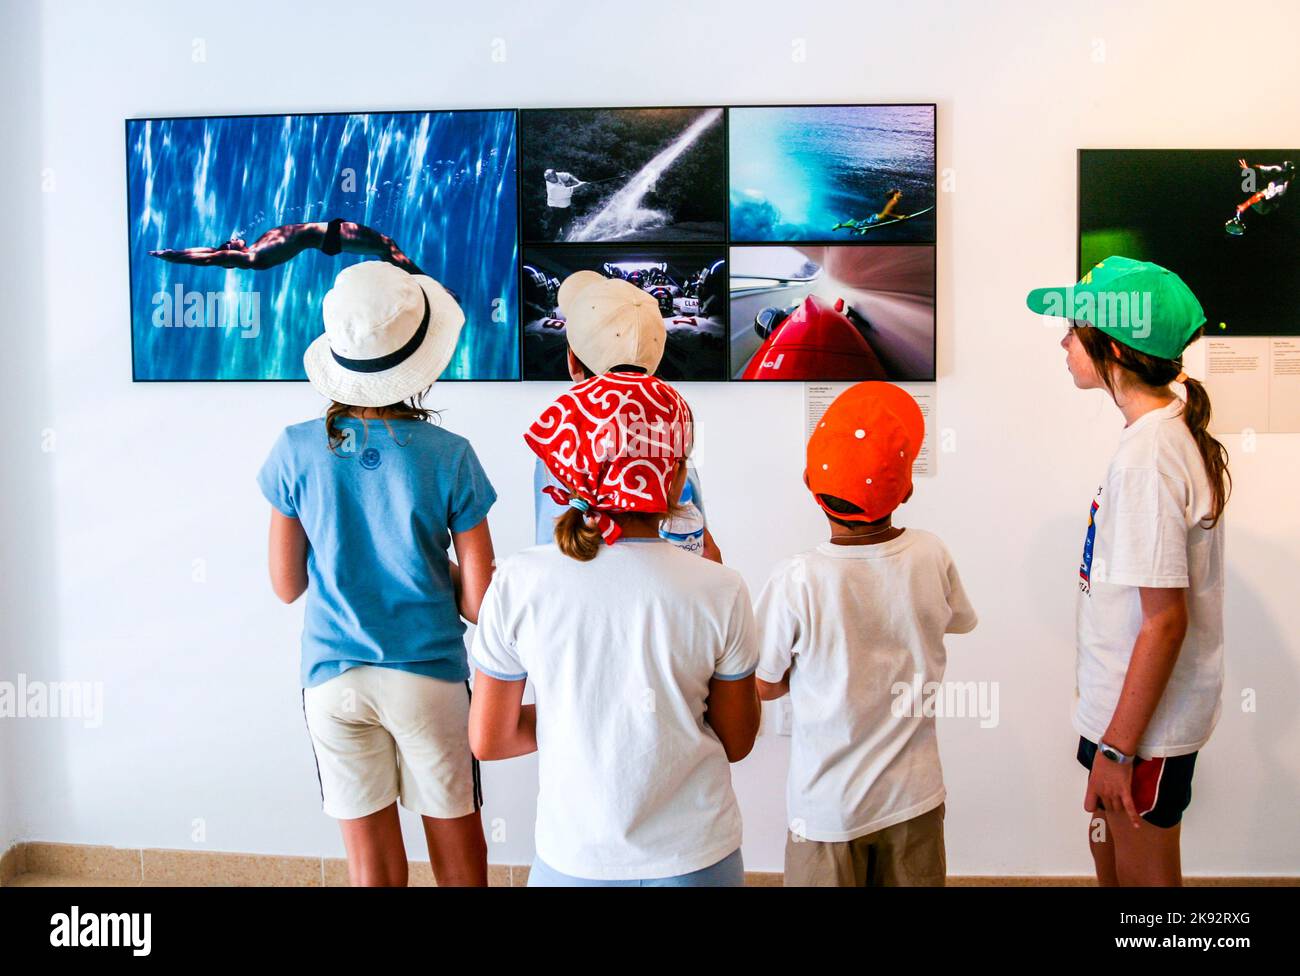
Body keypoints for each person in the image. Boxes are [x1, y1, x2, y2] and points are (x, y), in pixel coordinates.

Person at [468, 372, 761, 887]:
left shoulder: (519, 580)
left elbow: (490, 738)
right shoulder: (721, 588)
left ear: (570, 469)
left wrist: (581, 712)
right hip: (697, 860)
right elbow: (737, 741)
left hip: (574, 862)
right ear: (673, 479)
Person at [257, 260, 497, 886]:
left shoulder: (294, 449)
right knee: (460, 864)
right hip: (427, 679)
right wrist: (425, 567)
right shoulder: (451, 457)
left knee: (373, 872)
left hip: (332, 682)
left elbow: (286, 585)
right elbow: (479, 603)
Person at [1025, 255, 1230, 886]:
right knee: (1109, 856)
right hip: (1127, 716)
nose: (1062, 341)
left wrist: (1117, 749)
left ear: (1112, 346)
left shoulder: (1149, 457)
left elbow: (1165, 623)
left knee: (1149, 893)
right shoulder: (1163, 431)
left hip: (1140, 731)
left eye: (1072, 329)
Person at [754, 382, 977, 887]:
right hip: (914, 797)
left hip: (826, 810)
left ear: (810, 483)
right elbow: (955, 620)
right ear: (907, 490)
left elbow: (764, 684)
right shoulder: (930, 554)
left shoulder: (798, 577)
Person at [532, 270, 723, 560]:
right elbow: (701, 542)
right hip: (674, 584)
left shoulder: (562, 437)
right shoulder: (675, 422)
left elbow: (551, 545)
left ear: (572, 359)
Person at [151, 218, 424, 274]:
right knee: (387, 248)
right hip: (330, 236)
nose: (234, 236)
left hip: (331, 232)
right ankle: (430, 285)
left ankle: (425, 282)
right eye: (230, 241)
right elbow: (212, 257)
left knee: (387, 250)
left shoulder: (257, 246)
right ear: (233, 252)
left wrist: (178, 252)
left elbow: (211, 251)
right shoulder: (253, 257)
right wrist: (175, 257)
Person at [1224, 158, 1295, 236]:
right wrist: (1248, 167)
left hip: (1266, 207)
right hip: (1270, 193)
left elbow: (1259, 196)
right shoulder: (1277, 169)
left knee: (1251, 198)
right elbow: (1261, 167)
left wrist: (1244, 205)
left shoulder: (1279, 185)